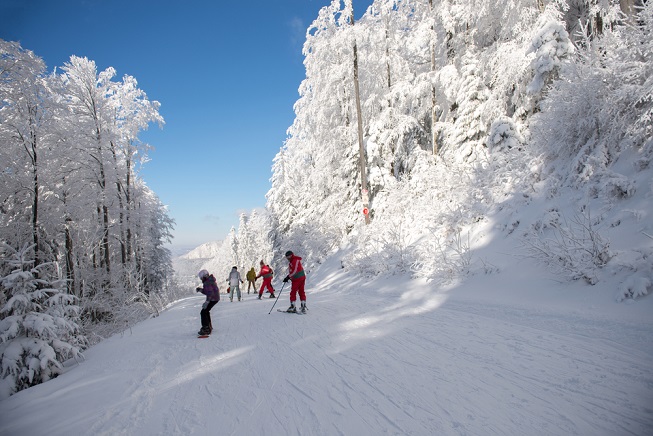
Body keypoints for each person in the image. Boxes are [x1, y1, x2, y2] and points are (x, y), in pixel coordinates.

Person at [196, 269, 220, 335]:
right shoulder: (209, 280)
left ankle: (206, 328)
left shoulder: (207, 282)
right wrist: (201, 290)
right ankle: (208, 326)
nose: (201, 279)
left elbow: (210, 293)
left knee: (203, 312)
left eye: (201, 278)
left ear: (203, 277)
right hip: (215, 298)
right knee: (205, 311)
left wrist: (206, 302)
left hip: (213, 298)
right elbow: (208, 291)